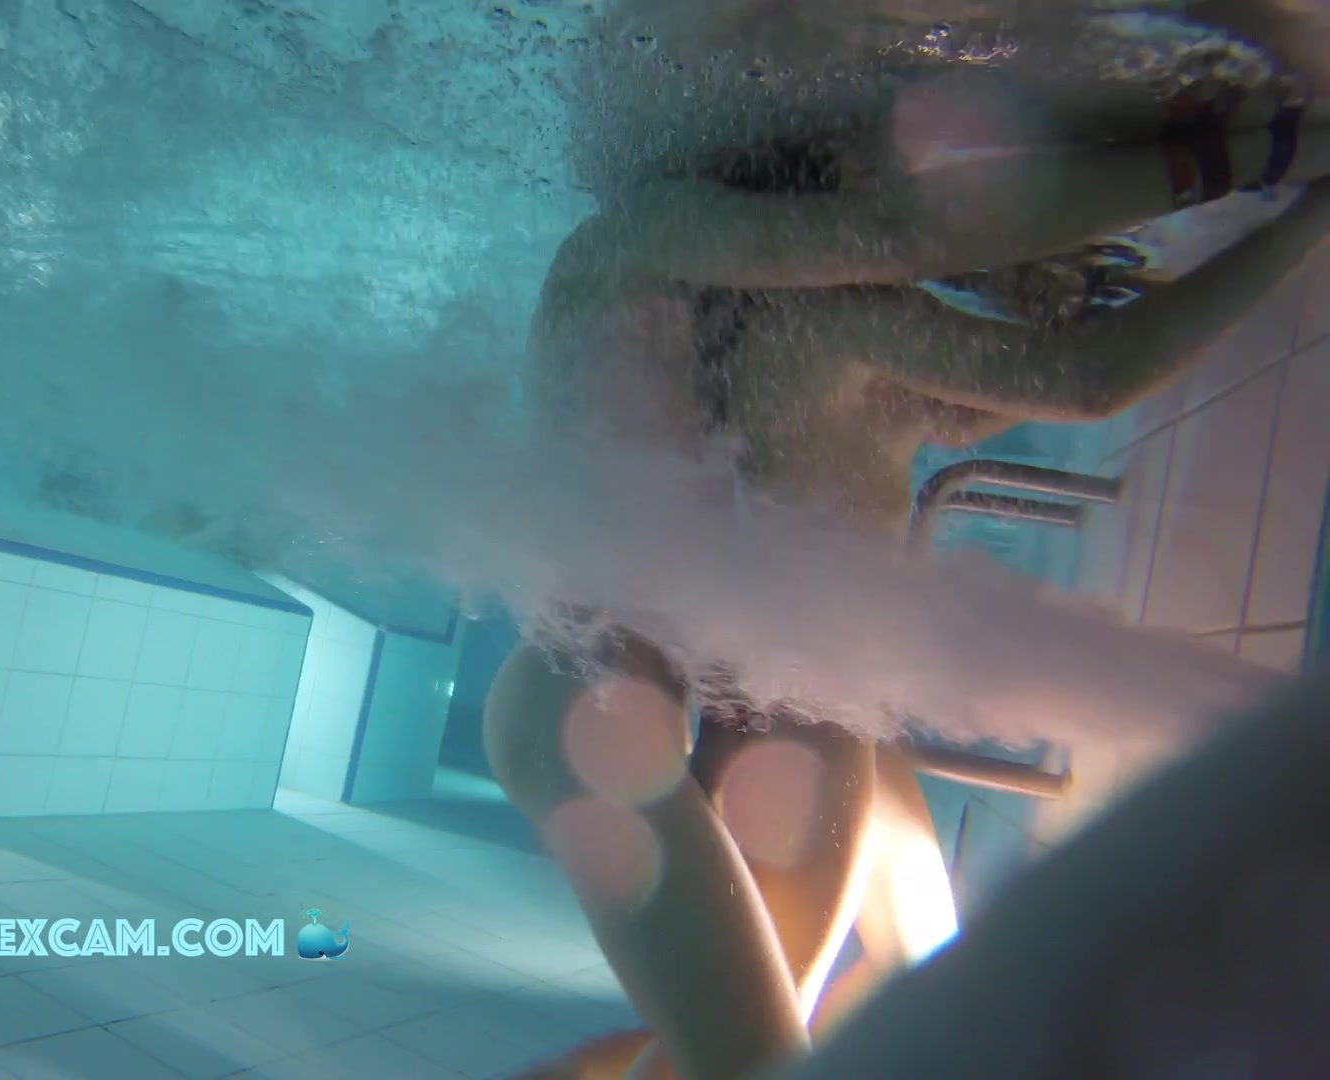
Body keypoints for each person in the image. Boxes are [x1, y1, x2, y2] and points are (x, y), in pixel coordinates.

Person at [487, 32, 1330, 1079]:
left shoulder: (738, 319)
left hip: (666, 699)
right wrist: (1275, 185)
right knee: (762, 1052)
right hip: (616, 702)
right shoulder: (657, 247)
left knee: (803, 1016)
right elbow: (1019, 338)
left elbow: (968, 366)